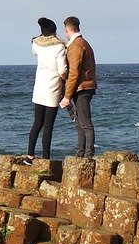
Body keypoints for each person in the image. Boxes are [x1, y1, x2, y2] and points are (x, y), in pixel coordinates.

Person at [26, 17, 68, 164]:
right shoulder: (59, 47)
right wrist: (66, 77)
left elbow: (36, 47)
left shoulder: (36, 45)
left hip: (39, 88)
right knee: (48, 125)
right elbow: (62, 69)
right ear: (54, 32)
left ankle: (30, 155)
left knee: (37, 123)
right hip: (52, 88)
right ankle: (46, 157)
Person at [59, 16, 97, 158]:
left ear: (66, 30)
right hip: (87, 86)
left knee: (85, 123)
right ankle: (81, 153)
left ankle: (87, 155)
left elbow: (74, 73)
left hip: (82, 88)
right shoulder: (84, 43)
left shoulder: (76, 46)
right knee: (80, 123)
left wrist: (67, 96)